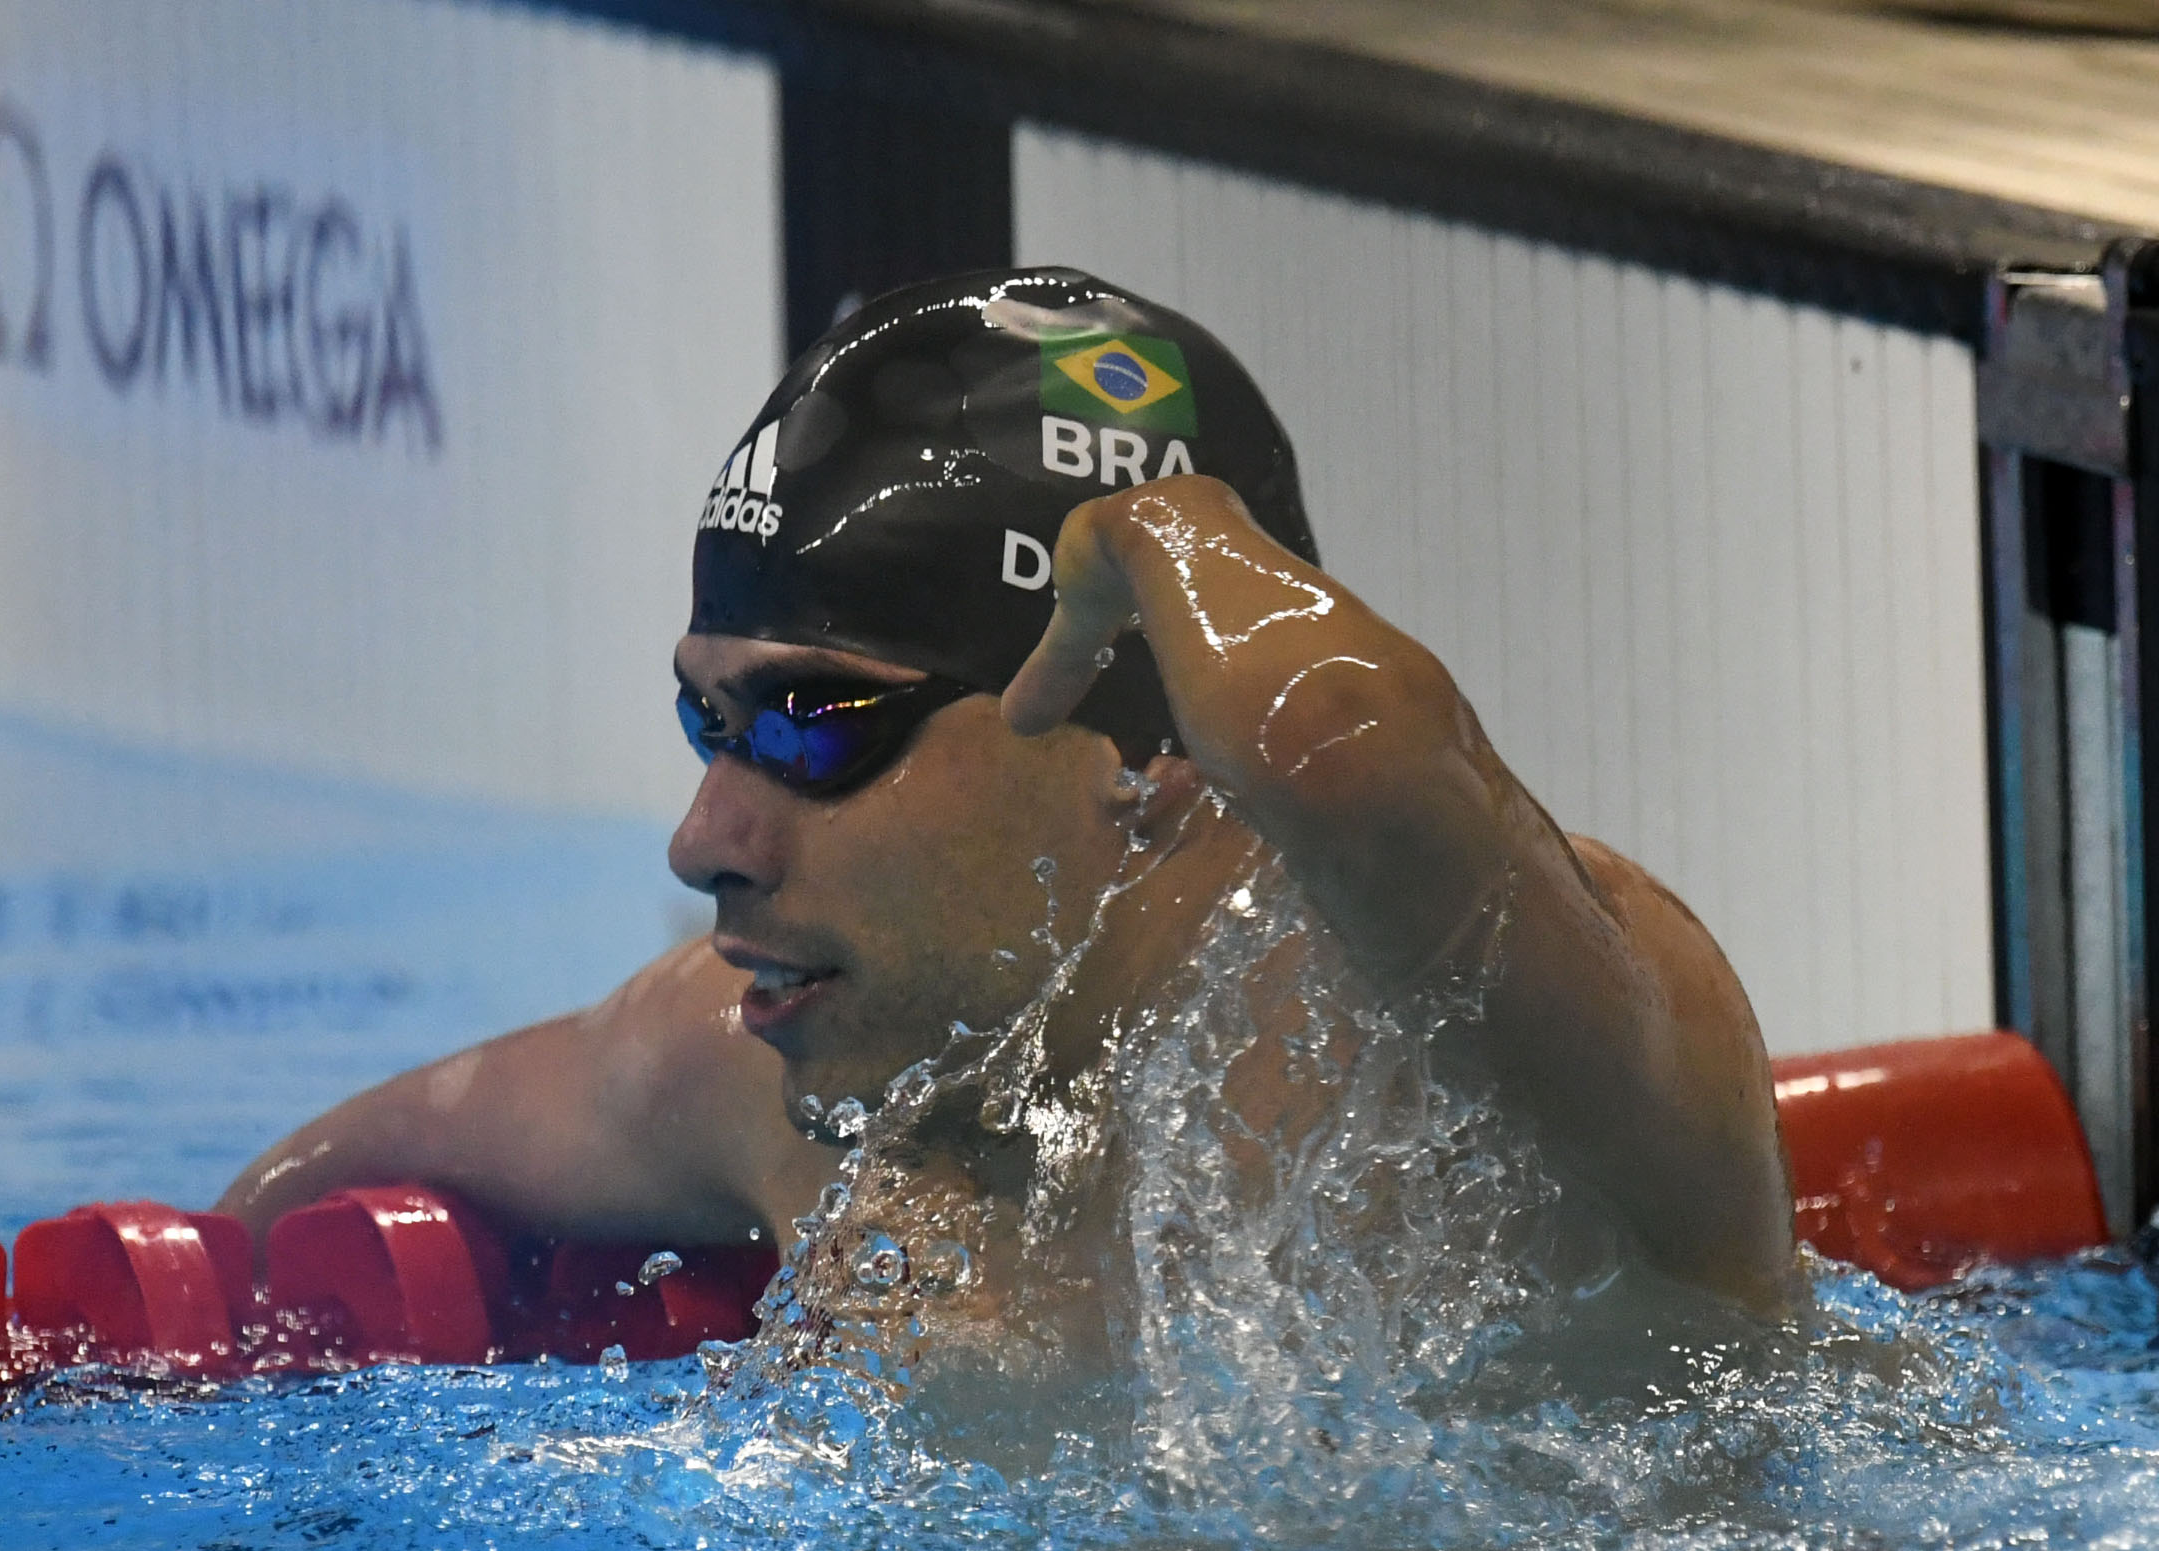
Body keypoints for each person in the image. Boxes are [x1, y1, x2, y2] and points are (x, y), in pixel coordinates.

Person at [216, 268, 1797, 1394]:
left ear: (1147, 740)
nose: (705, 836)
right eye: (711, 719)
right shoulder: (770, 1070)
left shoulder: (1506, 1044)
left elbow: (1340, 749)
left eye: (814, 721)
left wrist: (1176, 532)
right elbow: (317, 1183)